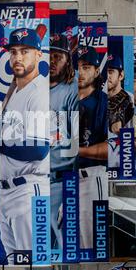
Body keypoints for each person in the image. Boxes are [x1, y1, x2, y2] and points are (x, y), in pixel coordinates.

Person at [0, 27, 50, 259]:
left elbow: (39, 149)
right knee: (14, 269)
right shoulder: (17, 89)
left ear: (39, 54)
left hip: (29, 190)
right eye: (13, 51)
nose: (17, 57)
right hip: (7, 193)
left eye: (25, 51)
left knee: (33, 268)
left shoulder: (39, 93)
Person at [49, 33, 78, 250]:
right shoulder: (32, 87)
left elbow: (77, 141)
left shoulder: (71, 90)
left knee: (60, 247)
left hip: (60, 180)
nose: (52, 61)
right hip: (31, 180)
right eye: (49, 55)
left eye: (58, 56)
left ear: (67, 59)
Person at [77, 46, 109, 249]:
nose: (81, 72)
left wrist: (76, 150)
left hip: (90, 177)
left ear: (97, 71)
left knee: (91, 246)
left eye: (86, 67)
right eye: (77, 67)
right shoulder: (62, 98)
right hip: (60, 179)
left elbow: (113, 149)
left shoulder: (103, 102)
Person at [107, 54, 134, 169]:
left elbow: (133, 134)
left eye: (111, 71)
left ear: (121, 75)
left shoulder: (129, 98)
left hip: (120, 164)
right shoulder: (98, 98)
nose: (107, 76)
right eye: (105, 72)